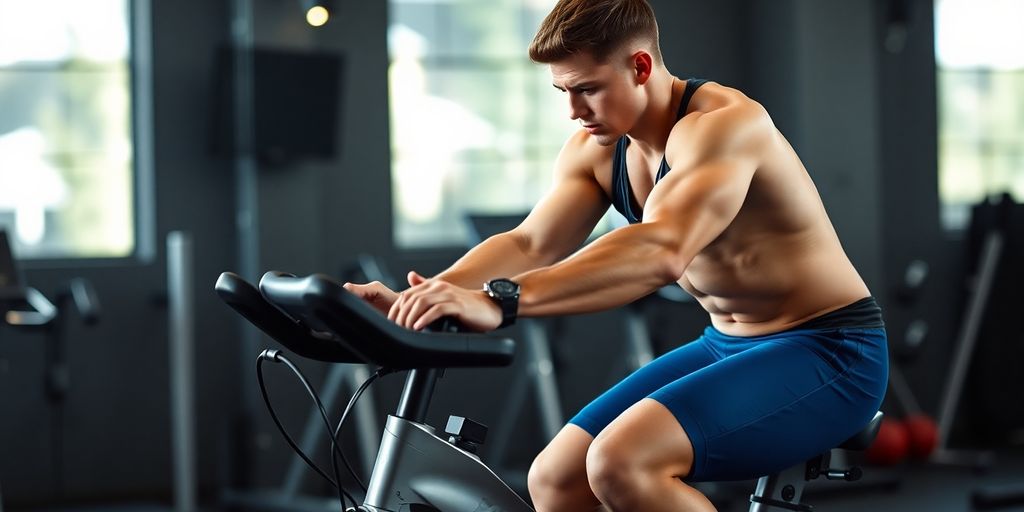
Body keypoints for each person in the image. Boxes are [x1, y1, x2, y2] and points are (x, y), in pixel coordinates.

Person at [345, 0, 888, 510]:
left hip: (831, 349)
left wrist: (502, 300)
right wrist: (417, 299)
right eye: (562, 91)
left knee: (620, 463)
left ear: (641, 66)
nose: (574, 111)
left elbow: (663, 249)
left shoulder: (723, 126)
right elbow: (531, 243)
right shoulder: (600, 148)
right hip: (727, 345)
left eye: (588, 89)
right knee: (555, 479)